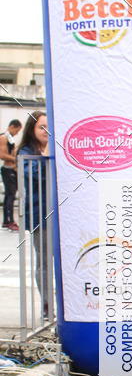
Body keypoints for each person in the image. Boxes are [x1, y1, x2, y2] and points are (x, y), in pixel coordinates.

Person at [16, 111, 51, 317]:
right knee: (44, 261)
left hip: (61, 216)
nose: (46, 131)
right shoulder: (26, 152)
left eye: (49, 127)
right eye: (42, 127)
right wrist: (46, 153)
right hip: (40, 214)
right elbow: (37, 174)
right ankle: (47, 306)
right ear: (32, 129)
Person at [1, 118, 21, 230]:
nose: (17, 133)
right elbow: (2, 155)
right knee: (10, 196)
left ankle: (6, 221)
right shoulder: (3, 137)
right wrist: (16, 159)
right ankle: (10, 221)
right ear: (12, 126)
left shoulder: (10, 138)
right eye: (17, 130)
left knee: (10, 196)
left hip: (11, 169)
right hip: (7, 169)